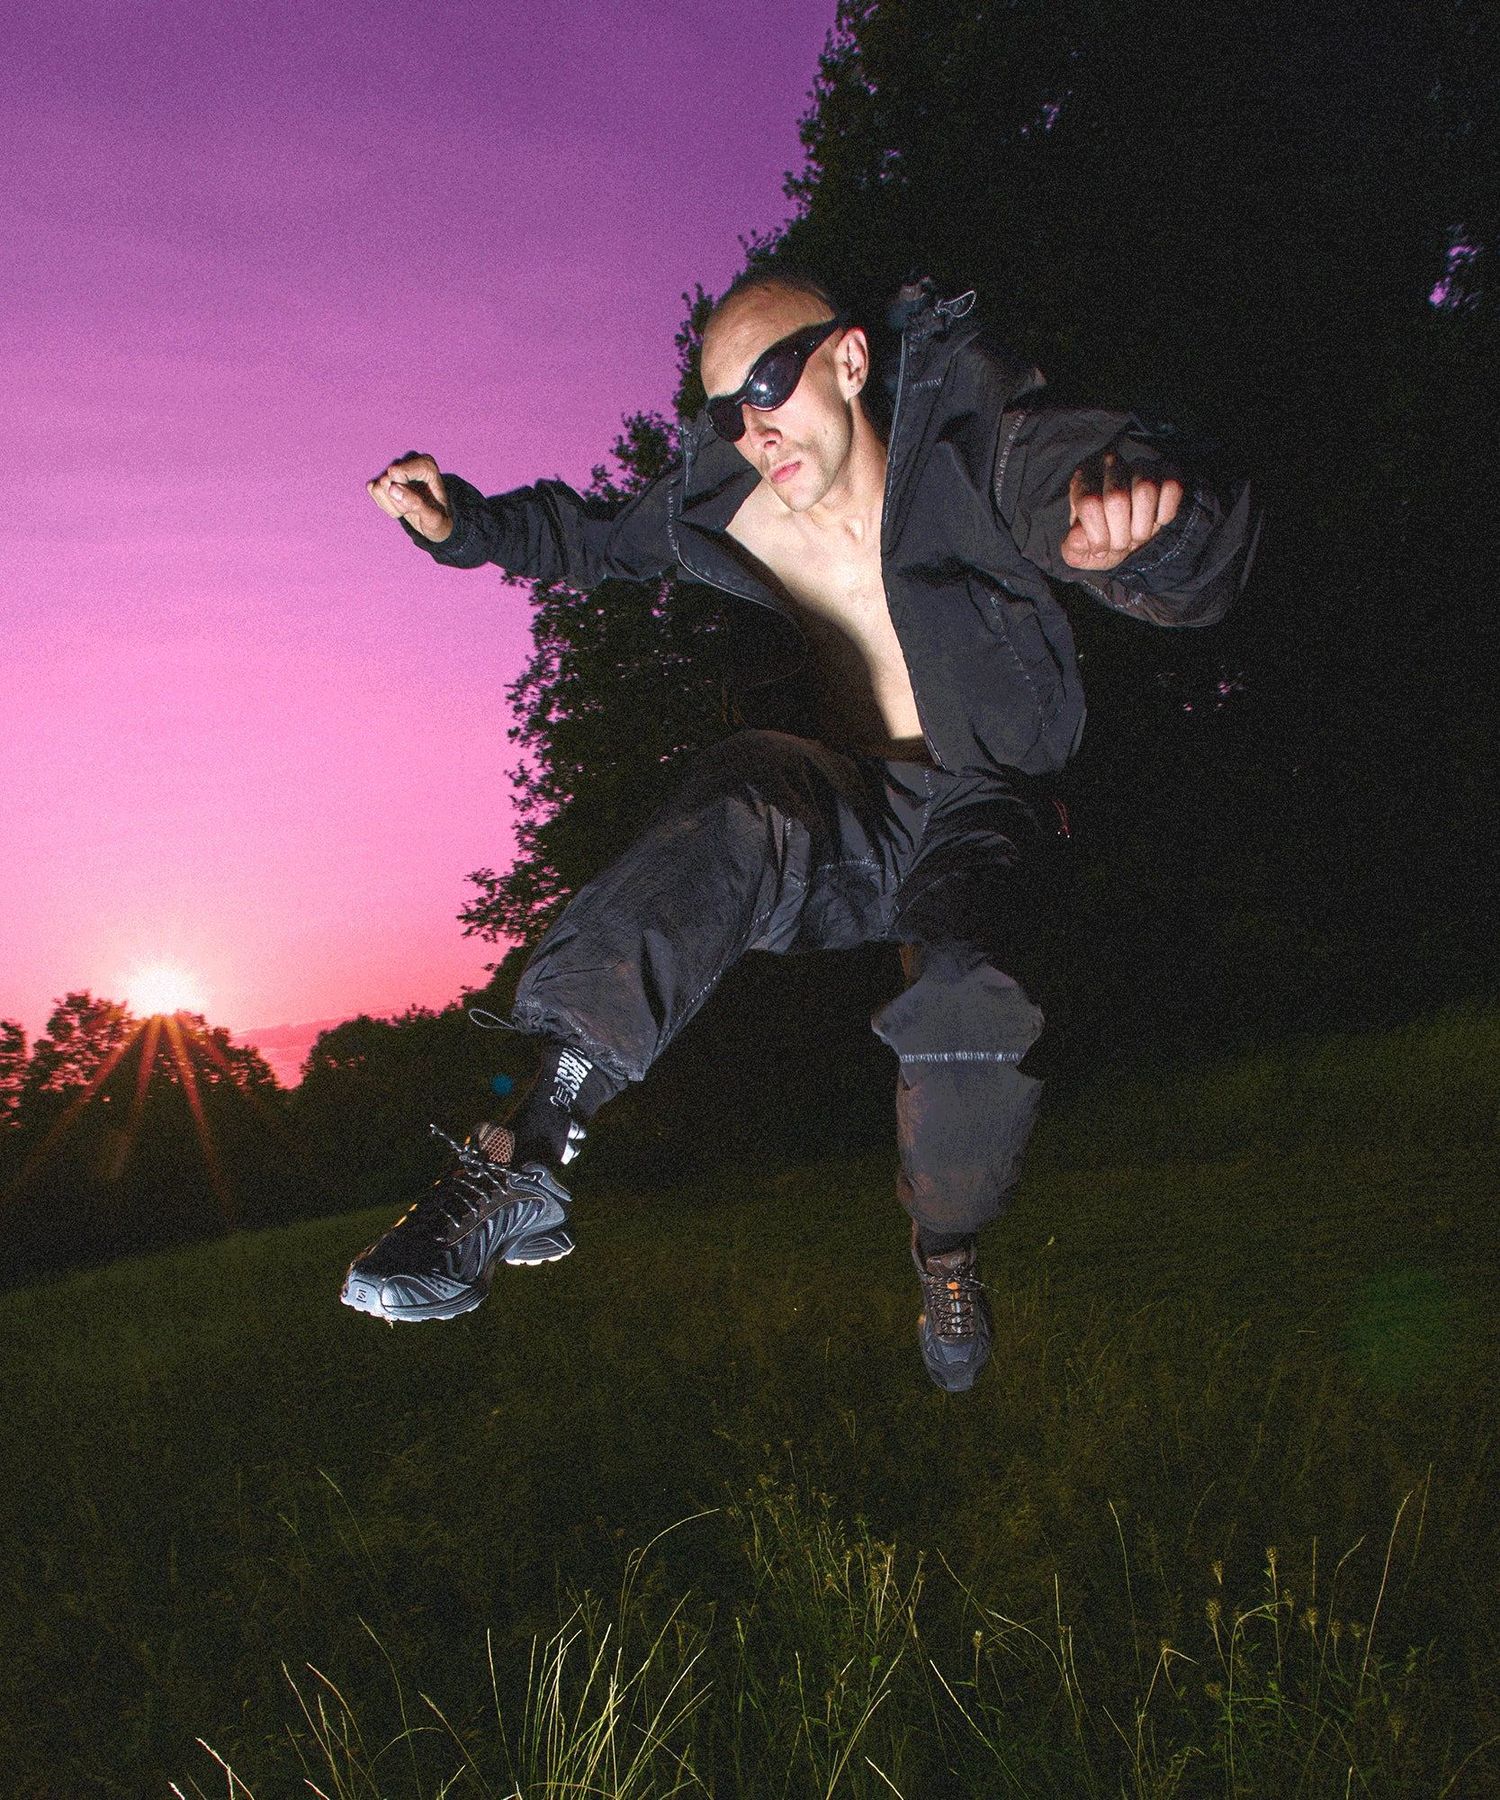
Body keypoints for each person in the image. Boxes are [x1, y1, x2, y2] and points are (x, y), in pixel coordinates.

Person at [344, 272, 1256, 1391]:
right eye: (728, 410)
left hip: (987, 804)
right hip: (854, 815)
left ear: (850, 359)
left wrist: (1152, 535)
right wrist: (461, 526)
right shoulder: (723, 502)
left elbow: (1138, 497)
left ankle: (946, 1253)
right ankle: (526, 1149)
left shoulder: (976, 443)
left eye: (773, 385)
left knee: (959, 1006)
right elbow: (589, 538)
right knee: (743, 790)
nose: (755, 430)